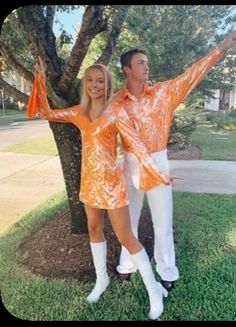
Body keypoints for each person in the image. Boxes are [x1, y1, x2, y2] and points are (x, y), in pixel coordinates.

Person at [26, 58, 180, 319]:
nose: (94, 85)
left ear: (108, 86)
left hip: (111, 183)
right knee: (93, 229)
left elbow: (136, 144)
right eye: (90, 80)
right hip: (89, 183)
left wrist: (155, 171)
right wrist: (39, 80)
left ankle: (154, 290)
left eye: (100, 81)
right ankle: (101, 281)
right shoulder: (78, 113)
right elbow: (45, 113)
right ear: (84, 84)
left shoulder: (116, 111)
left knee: (126, 237)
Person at [113, 29, 236, 291]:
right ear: (126, 69)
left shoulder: (163, 93)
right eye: (140, 63)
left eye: (146, 62)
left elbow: (192, 74)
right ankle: (127, 264)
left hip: (157, 161)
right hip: (128, 164)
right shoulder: (116, 102)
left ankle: (167, 270)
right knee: (128, 219)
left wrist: (222, 47)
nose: (146, 66)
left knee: (162, 221)